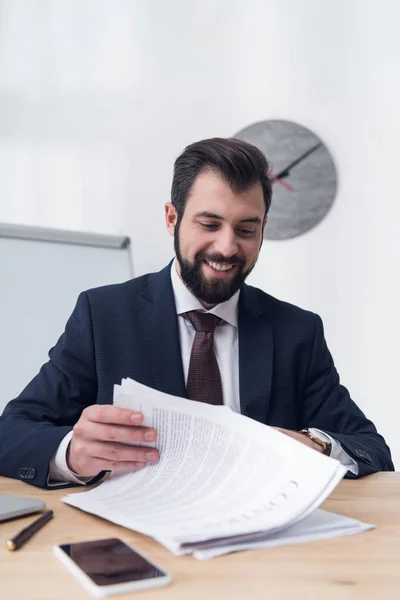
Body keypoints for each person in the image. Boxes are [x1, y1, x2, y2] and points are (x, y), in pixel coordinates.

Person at [0, 138, 393, 488]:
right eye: (209, 223)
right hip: (137, 538)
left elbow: (372, 450)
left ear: (263, 228)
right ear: (172, 217)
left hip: (261, 543)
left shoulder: (297, 331)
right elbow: (10, 433)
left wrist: (313, 445)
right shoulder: (103, 315)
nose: (226, 248)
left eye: (246, 229)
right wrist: (72, 453)